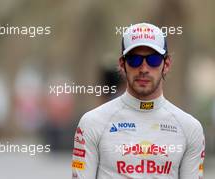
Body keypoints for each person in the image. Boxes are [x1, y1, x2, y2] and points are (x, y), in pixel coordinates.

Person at [71, 23, 205, 179]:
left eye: (153, 60)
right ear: (122, 64)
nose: (144, 68)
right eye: (134, 60)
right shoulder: (92, 123)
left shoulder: (190, 128)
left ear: (166, 65)